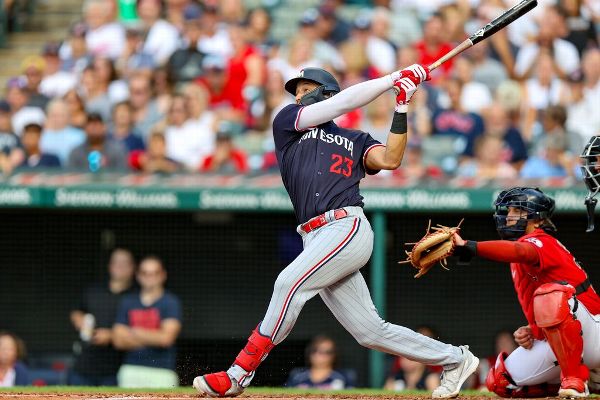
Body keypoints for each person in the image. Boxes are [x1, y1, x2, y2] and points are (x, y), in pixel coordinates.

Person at [193, 65, 478, 398]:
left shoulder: (354, 139)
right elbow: (341, 105)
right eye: (296, 90)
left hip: (346, 226)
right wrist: (391, 79)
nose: (298, 95)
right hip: (314, 236)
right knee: (370, 332)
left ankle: (238, 373)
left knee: (288, 283)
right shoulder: (288, 123)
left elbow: (390, 159)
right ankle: (456, 358)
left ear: (324, 89)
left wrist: (400, 105)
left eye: (305, 88)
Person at [451, 187, 600, 397]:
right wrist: (535, 328)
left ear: (537, 220)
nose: (509, 216)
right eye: (508, 211)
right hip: (571, 340)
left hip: (595, 332)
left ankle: (574, 380)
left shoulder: (541, 240)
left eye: (517, 211)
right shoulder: (522, 247)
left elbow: (521, 252)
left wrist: (471, 246)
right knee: (499, 382)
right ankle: (590, 379)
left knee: (551, 295)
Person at [69, 248, 137, 386]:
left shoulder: (137, 297)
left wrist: (112, 335)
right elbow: (76, 311)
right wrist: (79, 320)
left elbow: (140, 330)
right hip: (84, 364)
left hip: (118, 369)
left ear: (132, 267)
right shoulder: (94, 290)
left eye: (124, 263)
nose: (119, 266)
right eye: (116, 262)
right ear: (110, 266)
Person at [112, 256, 182, 388]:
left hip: (162, 371)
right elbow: (118, 340)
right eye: (145, 273)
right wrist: (154, 337)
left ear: (163, 275)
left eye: (155, 273)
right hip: (130, 369)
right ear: (138, 275)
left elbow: (166, 339)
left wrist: (133, 331)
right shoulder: (127, 301)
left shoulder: (171, 302)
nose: (150, 277)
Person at [286, 335, 351, 390]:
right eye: (316, 350)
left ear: (334, 355)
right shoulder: (297, 376)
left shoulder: (343, 377)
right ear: (309, 353)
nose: (321, 355)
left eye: (327, 352)